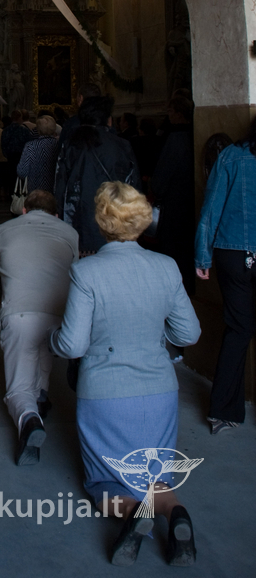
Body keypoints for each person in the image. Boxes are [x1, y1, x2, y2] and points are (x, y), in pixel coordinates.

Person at [51, 182, 201, 566]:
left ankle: (135, 514)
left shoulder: (86, 271)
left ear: (101, 222)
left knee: (106, 482)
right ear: (142, 220)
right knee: (155, 477)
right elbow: (189, 333)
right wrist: (154, 335)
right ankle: (175, 512)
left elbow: (72, 345)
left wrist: (51, 336)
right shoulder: (166, 267)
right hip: (159, 391)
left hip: (106, 393)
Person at [0, 190, 78, 465]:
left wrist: (2, 293)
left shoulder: (5, 230)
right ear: (56, 214)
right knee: (42, 348)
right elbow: (77, 275)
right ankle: (40, 396)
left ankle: (28, 419)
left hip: (19, 311)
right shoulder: (70, 233)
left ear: (24, 211)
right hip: (58, 313)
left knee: (19, 381)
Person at [195, 115, 256, 434]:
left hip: (233, 253)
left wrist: (202, 255)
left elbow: (211, 210)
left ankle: (223, 411)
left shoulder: (231, 156)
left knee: (238, 329)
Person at [54, 96, 141, 254]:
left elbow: (61, 184)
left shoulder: (71, 145)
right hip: (114, 217)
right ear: (108, 119)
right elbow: (133, 185)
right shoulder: (122, 145)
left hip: (79, 217)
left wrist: (61, 214)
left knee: (84, 261)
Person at [151, 95, 195, 297]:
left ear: (178, 113)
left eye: (170, 111)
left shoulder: (176, 138)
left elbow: (163, 174)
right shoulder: (195, 132)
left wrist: (156, 189)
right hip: (192, 200)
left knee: (174, 250)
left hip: (175, 202)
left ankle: (174, 291)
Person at [16, 115, 59, 194]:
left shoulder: (31, 146)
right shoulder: (59, 145)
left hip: (35, 190)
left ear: (38, 129)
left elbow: (22, 171)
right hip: (55, 189)